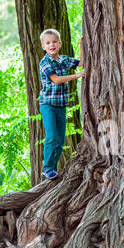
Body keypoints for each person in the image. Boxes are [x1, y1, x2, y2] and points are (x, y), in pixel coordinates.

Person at [39, 28, 85, 180]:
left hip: (61, 104)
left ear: (59, 43)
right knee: (52, 135)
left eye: (54, 42)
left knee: (60, 138)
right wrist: (77, 76)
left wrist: (81, 43)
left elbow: (82, 63)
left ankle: (53, 167)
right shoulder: (45, 63)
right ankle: (48, 168)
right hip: (48, 105)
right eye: (48, 43)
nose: (51, 45)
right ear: (43, 47)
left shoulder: (64, 60)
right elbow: (56, 79)